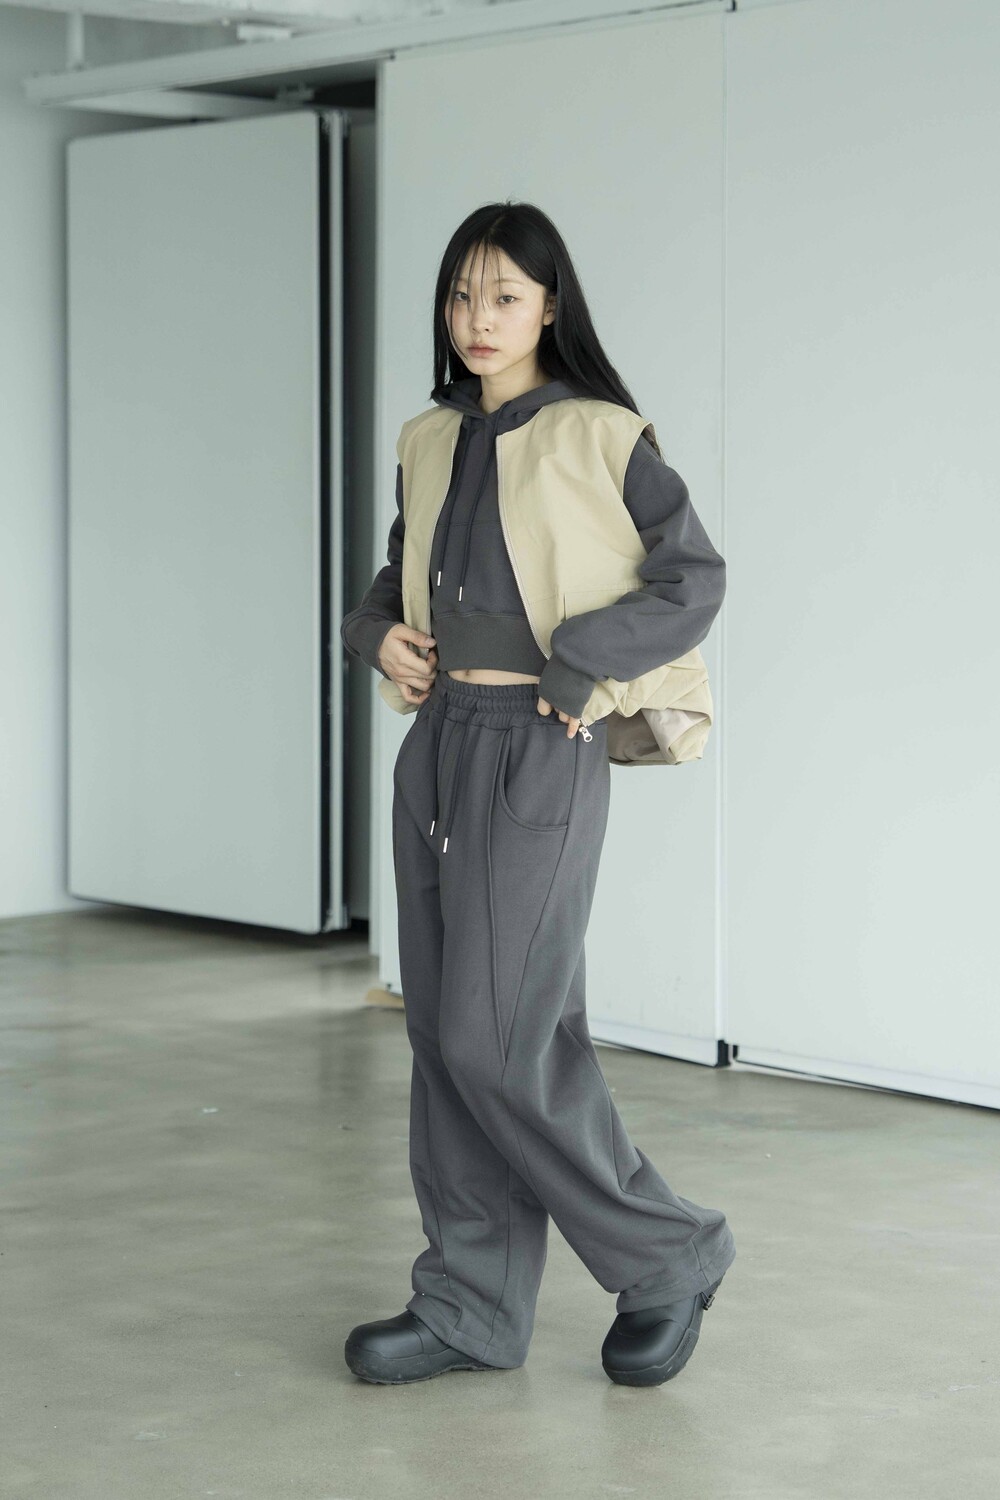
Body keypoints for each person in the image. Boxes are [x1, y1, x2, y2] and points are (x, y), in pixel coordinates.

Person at [340, 201, 735, 1388]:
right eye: (462, 294)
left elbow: (690, 578)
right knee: (445, 1032)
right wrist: (373, 633)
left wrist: (582, 663)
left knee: (497, 1035)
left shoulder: (601, 435)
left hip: (539, 743)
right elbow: (402, 572)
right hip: (439, 742)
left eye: (504, 295)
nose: (478, 317)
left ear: (549, 307)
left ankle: (666, 1253)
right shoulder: (430, 437)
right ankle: (469, 1305)